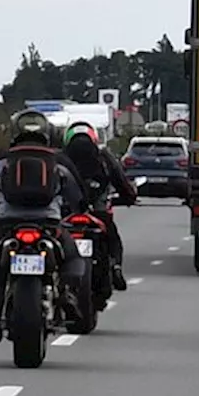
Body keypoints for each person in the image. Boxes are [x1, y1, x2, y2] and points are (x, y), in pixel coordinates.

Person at [0, 112, 88, 345]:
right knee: (72, 256)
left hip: (8, 223)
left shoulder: (2, 159)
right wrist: (75, 207)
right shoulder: (59, 160)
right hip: (48, 223)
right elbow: (78, 195)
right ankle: (65, 293)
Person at [60, 121, 137, 291]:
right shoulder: (103, 156)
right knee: (113, 239)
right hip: (98, 213)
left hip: (66, 213)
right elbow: (120, 180)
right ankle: (116, 267)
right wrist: (129, 196)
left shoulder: (61, 158)